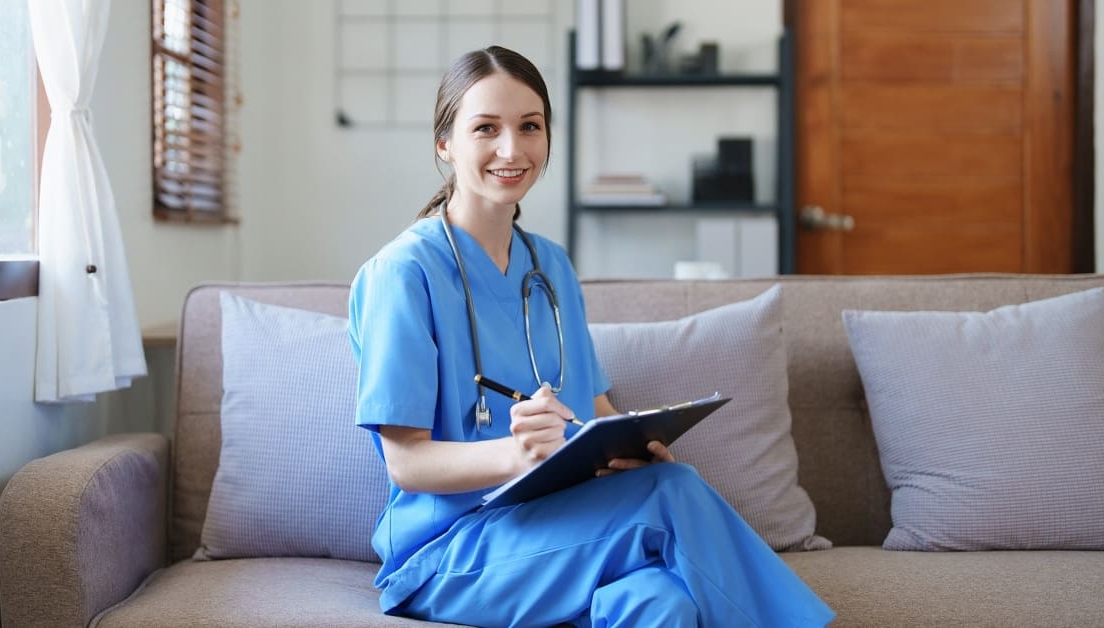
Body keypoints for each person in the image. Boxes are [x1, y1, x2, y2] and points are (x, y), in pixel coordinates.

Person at [348, 45, 834, 628]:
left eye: (530, 126)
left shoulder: (549, 267)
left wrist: (630, 448)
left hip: (563, 525)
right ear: (444, 143)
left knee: (661, 603)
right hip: (451, 552)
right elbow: (407, 464)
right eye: (485, 128)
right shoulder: (404, 273)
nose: (512, 149)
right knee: (671, 492)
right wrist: (518, 452)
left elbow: (595, 407)